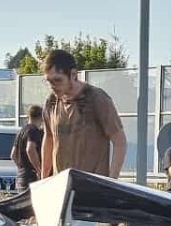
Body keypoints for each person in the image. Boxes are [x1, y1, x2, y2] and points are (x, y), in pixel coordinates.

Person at [40, 49, 126, 180]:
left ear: (73, 74)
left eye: (57, 80)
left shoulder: (96, 98)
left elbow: (120, 142)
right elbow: (49, 139)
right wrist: (43, 178)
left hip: (92, 186)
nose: (53, 86)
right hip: (62, 185)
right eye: (49, 81)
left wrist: (111, 181)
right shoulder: (51, 102)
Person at [11, 104, 45, 187]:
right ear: (41, 117)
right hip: (31, 176)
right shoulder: (33, 130)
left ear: (28, 117)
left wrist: (21, 168)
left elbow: (13, 155)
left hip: (21, 176)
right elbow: (30, 149)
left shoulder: (21, 132)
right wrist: (38, 169)